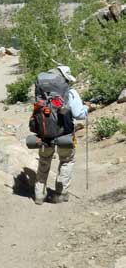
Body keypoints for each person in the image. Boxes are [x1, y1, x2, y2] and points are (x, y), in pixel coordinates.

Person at [34, 65, 89, 204]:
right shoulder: (70, 93)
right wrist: (87, 108)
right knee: (66, 160)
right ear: (65, 79)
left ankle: (39, 195)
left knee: (44, 161)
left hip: (45, 133)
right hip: (65, 133)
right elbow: (79, 114)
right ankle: (61, 193)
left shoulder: (42, 92)